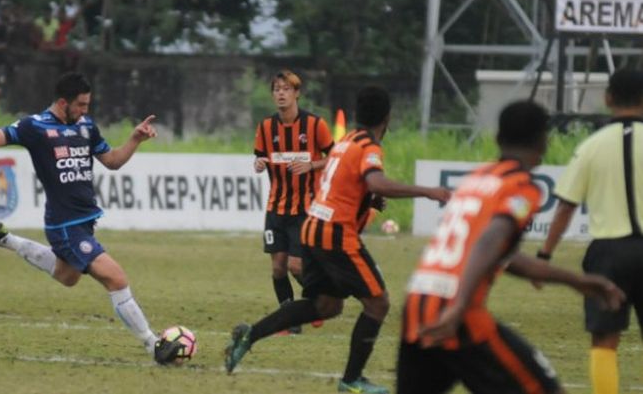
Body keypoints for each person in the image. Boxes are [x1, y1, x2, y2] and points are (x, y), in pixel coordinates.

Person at [226, 85, 451, 394]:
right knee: (378, 303)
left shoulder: (345, 142)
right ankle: (351, 380)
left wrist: (367, 200)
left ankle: (250, 335)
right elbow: (377, 181)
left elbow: (342, 186)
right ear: (388, 117)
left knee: (326, 305)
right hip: (335, 234)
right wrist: (428, 191)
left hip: (313, 228)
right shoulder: (369, 146)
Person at [398, 100, 625, 394]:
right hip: (457, 311)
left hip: (418, 304)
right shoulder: (521, 186)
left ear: (497, 138)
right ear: (544, 140)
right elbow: (490, 240)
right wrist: (459, 304)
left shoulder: (476, 179)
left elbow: (502, 256)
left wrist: (576, 281)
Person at [0, 73, 182, 364]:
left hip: (84, 222)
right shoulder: (35, 126)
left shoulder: (86, 127)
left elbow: (113, 161)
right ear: (62, 102)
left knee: (67, 277)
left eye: (87, 104)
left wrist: (135, 138)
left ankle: (4, 238)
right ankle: (153, 345)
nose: (85, 110)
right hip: (64, 225)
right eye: (80, 105)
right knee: (116, 279)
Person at [536, 68, 643, 394]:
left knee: (604, 340)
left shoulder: (591, 147)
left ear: (608, 98)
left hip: (607, 255)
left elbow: (566, 206)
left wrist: (545, 255)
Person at [253, 69, 334, 333]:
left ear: (297, 93)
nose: (281, 94)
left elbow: (335, 158)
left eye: (286, 89)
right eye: (277, 89)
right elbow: (261, 157)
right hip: (275, 208)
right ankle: (291, 321)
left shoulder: (315, 125)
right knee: (278, 268)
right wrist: (258, 162)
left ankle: (319, 301)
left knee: (295, 265)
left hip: (305, 210)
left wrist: (311, 165)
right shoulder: (266, 127)